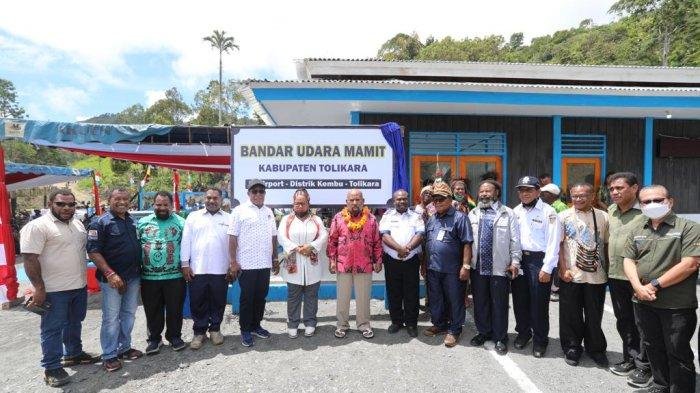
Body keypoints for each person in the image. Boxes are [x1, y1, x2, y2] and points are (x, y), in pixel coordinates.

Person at [622, 185, 699, 393]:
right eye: (646, 202)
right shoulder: (638, 229)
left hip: (676, 305)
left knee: (677, 351)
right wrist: (638, 287)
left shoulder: (688, 228)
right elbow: (628, 260)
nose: (652, 205)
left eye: (658, 200)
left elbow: (690, 264)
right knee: (652, 346)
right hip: (643, 301)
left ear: (670, 202)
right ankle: (660, 385)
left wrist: (654, 284)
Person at [20, 189, 100, 387]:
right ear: (51, 205)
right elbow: (30, 258)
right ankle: (51, 367)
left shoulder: (77, 224)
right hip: (53, 289)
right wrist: (39, 288)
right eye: (61, 204)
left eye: (71, 204)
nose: (66, 208)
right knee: (52, 329)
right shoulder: (37, 226)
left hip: (78, 286)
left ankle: (73, 353)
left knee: (74, 322)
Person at [87, 188, 144, 372]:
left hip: (133, 277)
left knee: (128, 314)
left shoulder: (130, 220)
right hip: (112, 279)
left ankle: (124, 348)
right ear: (109, 200)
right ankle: (109, 354)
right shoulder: (99, 223)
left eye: (125, 199)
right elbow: (93, 251)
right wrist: (110, 274)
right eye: (117, 199)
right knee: (111, 318)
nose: (122, 202)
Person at [605, 173, 652, 387]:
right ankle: (630, 358)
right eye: (611, 188)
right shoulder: (611, 211)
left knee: (643, 323)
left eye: (619, 188)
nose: (614, 192)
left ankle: (645, 366)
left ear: (634, 188)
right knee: (624, 320)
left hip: (639, 278)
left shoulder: (646, 213)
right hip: (615, 276)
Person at [557, 183, 609, 368]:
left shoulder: (604, 217)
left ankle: (596, 349)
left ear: (592, 195)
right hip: (571, 274)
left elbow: (607, 245)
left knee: (595, 314)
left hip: (597, 276)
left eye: (582, 196)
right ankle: (572, 347)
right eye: (574, 196)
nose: (578, 199)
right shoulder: (563, 217)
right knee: (571, 314)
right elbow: (558, 246)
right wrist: (562, 270)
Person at [468, 180, 520, 354]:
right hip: (478, 267)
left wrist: (515, 262)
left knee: (499, 303)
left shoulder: (508, 213)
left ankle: (500, 337)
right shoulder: (473, 213)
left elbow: (515, 241)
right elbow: (468, 243)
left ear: (496, 192)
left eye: (487, 191)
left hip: (500, 267)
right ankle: (484, 332)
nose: (483, 194)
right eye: (481, 191)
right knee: (480, 303)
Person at [511, 176, 560, 358]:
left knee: (539, 304)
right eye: (521, 190)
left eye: (529, 190)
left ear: (538, 192)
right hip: (519, 259)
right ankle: (523, 333)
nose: (524, 193)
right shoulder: (515, 211)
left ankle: (540, 340)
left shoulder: (549, 212)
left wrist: (547, 268)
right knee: (519, 300)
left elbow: (553, 242)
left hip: (539, 261)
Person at [228, 179, 279, 347]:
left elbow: (273, 236)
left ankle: (256, 325)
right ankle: (245, 330)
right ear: (248, 193)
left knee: (260, 297)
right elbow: (233, 237)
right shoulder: (239, 211)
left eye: (261, 191)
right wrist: (233, 262)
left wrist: (274, 258)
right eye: (254, 191)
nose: (258, 194)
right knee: (247, 298)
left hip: (264, 263)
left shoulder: (269, 212)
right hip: (247, 264)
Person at [422, 182, 472, 347]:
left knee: (455, 299)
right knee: (436, 298)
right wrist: (424, 265)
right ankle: (440, 324)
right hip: (433, 267)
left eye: (441, 199)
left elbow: (467, 243)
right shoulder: (432, 219)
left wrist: (465, 265)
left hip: (452, 269)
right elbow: (427, 244)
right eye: (435, 199)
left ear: (450, 199)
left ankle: (455, 329)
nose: (437, 202)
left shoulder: (460, 218)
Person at [327, 189, 382, 339]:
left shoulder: (371, 219)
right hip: (343, 264)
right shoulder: (338, 218)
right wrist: (332, 260)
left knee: (363, 297)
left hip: (364, 264)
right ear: (346, 202)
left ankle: (364, 324)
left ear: (363, 202)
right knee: (342, 297)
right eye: (351, 200)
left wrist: (378, 260)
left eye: (358, 200)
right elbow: (332, 241)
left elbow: (377, 241)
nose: (355, 203)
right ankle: (342, 325)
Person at [180, 187, 231, 349]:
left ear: (221, 200)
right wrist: (185, 264)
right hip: (197, 268)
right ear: (204, 199)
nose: (212, 201)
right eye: (209, 198)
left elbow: (233, 244)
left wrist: (232, 265)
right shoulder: (193, 217)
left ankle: (215, 329)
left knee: (218, 301)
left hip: (221, 268)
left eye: (215, 198)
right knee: (198, 301)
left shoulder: (229, 218)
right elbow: (185, 241)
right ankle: (199, 332)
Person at [137, 191, 186, 355]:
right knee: (152, 310)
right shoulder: (142, 223)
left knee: (175, 309)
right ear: (153, 205)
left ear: (171, 206)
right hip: (149, 277)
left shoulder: (181, 223)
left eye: (166, 205)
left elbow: (187, 247)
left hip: (175, 277)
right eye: (159, 205)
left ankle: (174, 337)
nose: (162, 208)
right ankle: (154, 339)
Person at [278, 188, 328, 338]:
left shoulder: (316, 219)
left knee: (311, 295)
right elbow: (281, 237)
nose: (300, 206)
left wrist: (311, 246)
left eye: (303, 203)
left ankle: (310, 322)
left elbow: (324, 235)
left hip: (312, 263)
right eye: (297, 203)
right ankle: (293, 323)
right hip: (293, 262)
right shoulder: (287, 220)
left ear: (308, 203)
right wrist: (297, 248)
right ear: (293, 204)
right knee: (293, 295)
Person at [379, 189, 425, 338]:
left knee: (411, 292)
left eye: (404, 199)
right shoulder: (387, 216)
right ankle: (396, 321)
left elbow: (420, 234)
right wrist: (399, 248)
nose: (402, 201)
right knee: (394, 292)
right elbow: (384, 235)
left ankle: (411, 323)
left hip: (411, 260)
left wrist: (407, 249)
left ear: (408, 200)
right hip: (392, 259)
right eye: (398, 199)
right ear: (393, 201)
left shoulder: (416, 216)